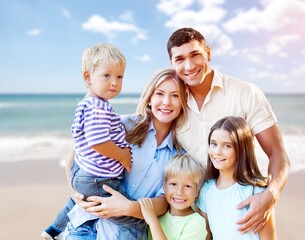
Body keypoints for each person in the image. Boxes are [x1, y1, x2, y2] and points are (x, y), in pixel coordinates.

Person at [167, 27, 290, 233]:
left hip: (242, 208)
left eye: (195, 55)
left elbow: (277, 153)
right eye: (179, 59)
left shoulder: (245, 93)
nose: (188, 65)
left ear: (208, 53)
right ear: (172, 63)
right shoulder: (172, 103)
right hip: (195, 212)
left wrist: (271, 194)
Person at [64, 67, 188, 239]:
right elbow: (76, 154)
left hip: (124, 234)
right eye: (160, 93)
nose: (166, 102)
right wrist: (75, 193)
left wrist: (128, 208)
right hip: (84, 226)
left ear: (183, 102)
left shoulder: (178, 155)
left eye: (175, 95)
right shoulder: (124, 125)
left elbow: (164, 202)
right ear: (150, 98)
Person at [41, 43, 132, 240]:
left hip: (82, 172)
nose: (114, 82)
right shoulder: (98, 107)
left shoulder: (87, 103)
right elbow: (98, 142)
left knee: (78, 201)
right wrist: (123, 156)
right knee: (131, 219)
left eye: (119, 76)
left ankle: (54, 229)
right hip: (99, 178)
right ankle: (79, 234)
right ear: (88, 78)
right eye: (107, 75)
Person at [197, 116, 276, 240]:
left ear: (241, 149)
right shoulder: (206, 191)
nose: (217, 151)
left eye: (227, 146)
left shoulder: (256, 192)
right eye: (213, 144)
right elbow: (207, 236)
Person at [139, 153, 207, 240]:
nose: (179, 192)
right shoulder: (160, 213)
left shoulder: (196, 223)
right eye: (174, 184)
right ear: (164, 186)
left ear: (197, 191)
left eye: (187, 186)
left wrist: (153, 221)